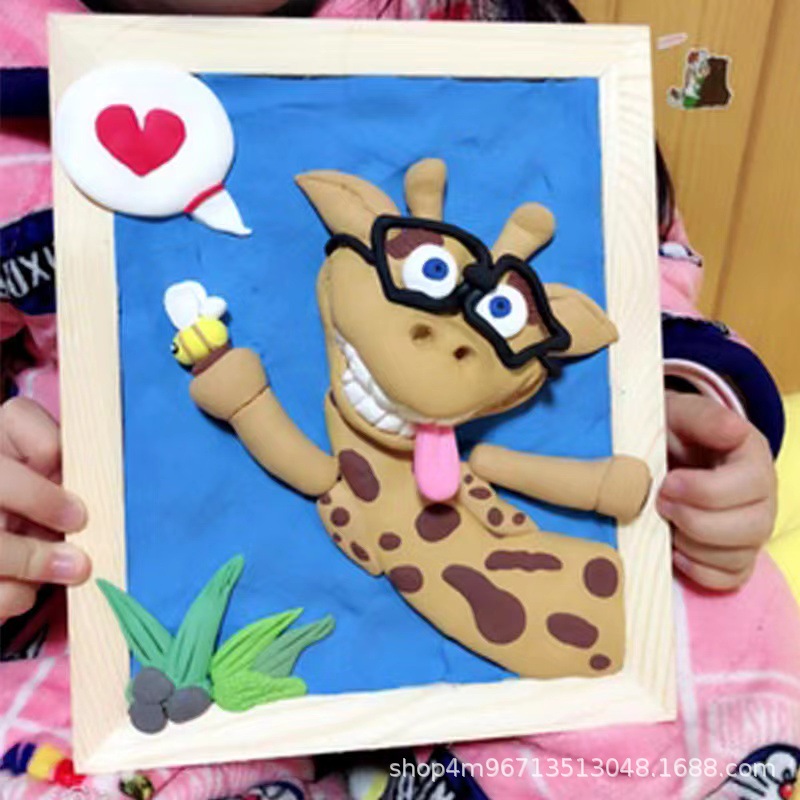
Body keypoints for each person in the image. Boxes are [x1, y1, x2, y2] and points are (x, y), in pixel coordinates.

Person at [1, 0, 797, 797]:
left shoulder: (495, 32)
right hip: (108, 620)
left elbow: (637, 280)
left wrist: (682, 424)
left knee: (716, 628)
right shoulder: (19, 97)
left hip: (516, 662)